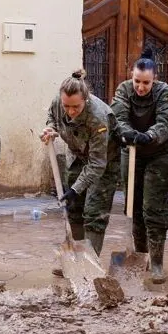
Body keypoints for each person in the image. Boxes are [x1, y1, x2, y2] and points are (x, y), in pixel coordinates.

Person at [41, 70, 119, 275]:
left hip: (104, 162)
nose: (71, 111)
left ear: (85, 99)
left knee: (94, 213)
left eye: (76, 106)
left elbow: (97, 164)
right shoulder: (59, 103)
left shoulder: (98, 118)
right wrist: (50, 128)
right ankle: (75, 259)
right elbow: (52, 116)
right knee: (73, 208)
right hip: (76, 154)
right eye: (67, 106)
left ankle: (89, 265)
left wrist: (75, 189)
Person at [111, 48, 168, 284]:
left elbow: (167, 120)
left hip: (160, 153)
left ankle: (157, 263)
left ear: (154, 80)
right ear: (132, 76)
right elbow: (117, 117)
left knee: (153, 207)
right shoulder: (123, 90)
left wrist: (149, 136)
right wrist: (129, 135)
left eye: (146, 83)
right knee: (133, 206)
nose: (140, 87)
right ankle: (141, 256)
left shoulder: (164, 92)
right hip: (131, 152)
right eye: (137, 81)